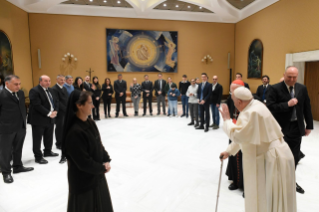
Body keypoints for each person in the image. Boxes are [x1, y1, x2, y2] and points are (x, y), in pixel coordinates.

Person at [219, 86, 296, 212]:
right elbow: (247, 136)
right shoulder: (256, 104)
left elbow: (238, 135)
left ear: (239, 102)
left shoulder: (250, 113)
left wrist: (227, 120)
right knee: (275, 199)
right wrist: (229, 151)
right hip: (279, 155)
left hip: (269, 160)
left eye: (233, 101)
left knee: (267, 198)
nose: (234, 104)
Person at [61, 90, 113, 212]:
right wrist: (102, 168)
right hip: (83, 183)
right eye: (90, 103)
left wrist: (106, 159)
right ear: (79, 105)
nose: (93, 106)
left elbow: (99, 145)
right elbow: (84, 163)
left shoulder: (90, 122)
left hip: (96, 176)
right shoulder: (74, 132)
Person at [267, 66, 313, 194]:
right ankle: (276, 181)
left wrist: (308, 125)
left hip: (296, 128)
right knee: (278, 156)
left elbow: (306, 107)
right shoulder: (274, 88)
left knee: (294, 156)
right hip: (279, 129)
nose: (292, 79)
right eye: (289, 77)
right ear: (284, 74)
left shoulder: (302, 88)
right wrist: (287, 104)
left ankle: (290, 181)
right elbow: (270, 107)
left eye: (294, 77)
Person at [0, 75, 34, 183]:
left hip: (21, 126)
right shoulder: (1, 95)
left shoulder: (21, 93)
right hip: (6, 128)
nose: (18, 86)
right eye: (15, 84)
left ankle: (17, 166)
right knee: (5, 151)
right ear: (7, 84)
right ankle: (6, 172)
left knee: (18, 148)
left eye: (19, 84)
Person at [28, 75, 59, 164]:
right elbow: (37, 105)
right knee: (37, 139)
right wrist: (49, 113)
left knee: (49, 136)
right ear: (40, 81)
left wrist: (56, 111)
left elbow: (56, 101)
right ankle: (38, 156)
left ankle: (48, 151)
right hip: (39, 119)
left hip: (51, 117)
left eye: (49, 80)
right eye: (45, 81)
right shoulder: (34, 91)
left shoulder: (52, 90)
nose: (48, 82)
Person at [224, 80, 245, 195]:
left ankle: (248, 186)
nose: (231, 93)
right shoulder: (231, 99)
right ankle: (236, 181)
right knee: (234, 157)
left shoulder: (252, 101)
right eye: (231, 90)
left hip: (247, 135)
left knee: (246, 160)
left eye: (234, 91)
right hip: (234, 131)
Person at [51, 75, 69, 163]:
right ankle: (58, 143)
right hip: (60, 111)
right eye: (61, 80)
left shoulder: (64, 88)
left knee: (64, 127)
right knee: (59, 128)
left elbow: (66, 99)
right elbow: (57, 101)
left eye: (63, 80)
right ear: (57, 80)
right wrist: (65, 109)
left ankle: (63, 141)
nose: (62, 81)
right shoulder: (54, 89)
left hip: (65, 110)